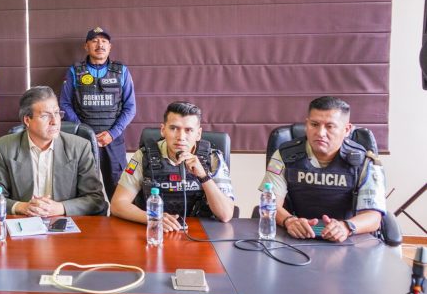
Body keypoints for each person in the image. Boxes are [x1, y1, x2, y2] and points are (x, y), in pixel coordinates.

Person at [260, 96, 386, 242]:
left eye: (330, 126)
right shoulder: (283, 156)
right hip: (295, 236)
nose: (320, 133)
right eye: (314, 124)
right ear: (306, 124)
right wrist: (289, 221)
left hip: (347, 238)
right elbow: (270, 203)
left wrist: (346, 227)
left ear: (346, 130)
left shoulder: (365, 162)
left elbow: (373, 216)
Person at [0, 86, 107, 216]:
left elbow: (95, 199)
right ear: (27, 120)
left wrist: (60, 208)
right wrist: (22, 207)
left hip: (65, 222)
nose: (54, 121)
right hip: (23, 221)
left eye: (57, 113)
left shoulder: (80, 147)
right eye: (45, 116)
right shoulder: (5, 147)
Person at [111, 102, 235, 229]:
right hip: (155, 231)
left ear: (198, 134)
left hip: (200, 232)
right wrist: (154, 218)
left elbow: (225, 214)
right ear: (163, 130)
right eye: (174, 128)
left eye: (188, 130)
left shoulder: (213, 158)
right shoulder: (143, 156)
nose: (181, 137)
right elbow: (118, 204)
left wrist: (204, 176)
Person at [60, 27, 136, 200]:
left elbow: (130, 108)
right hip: (83, 141)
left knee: (118, 191)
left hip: (112, 140)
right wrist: (84, 131)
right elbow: (64, 104)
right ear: (86, 46)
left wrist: (112, 133)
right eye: (94, 41)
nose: (99, 45)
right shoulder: (74, 71)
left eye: (104, 41)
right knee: (81, 189)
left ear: (110, 47)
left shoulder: (122, 71)